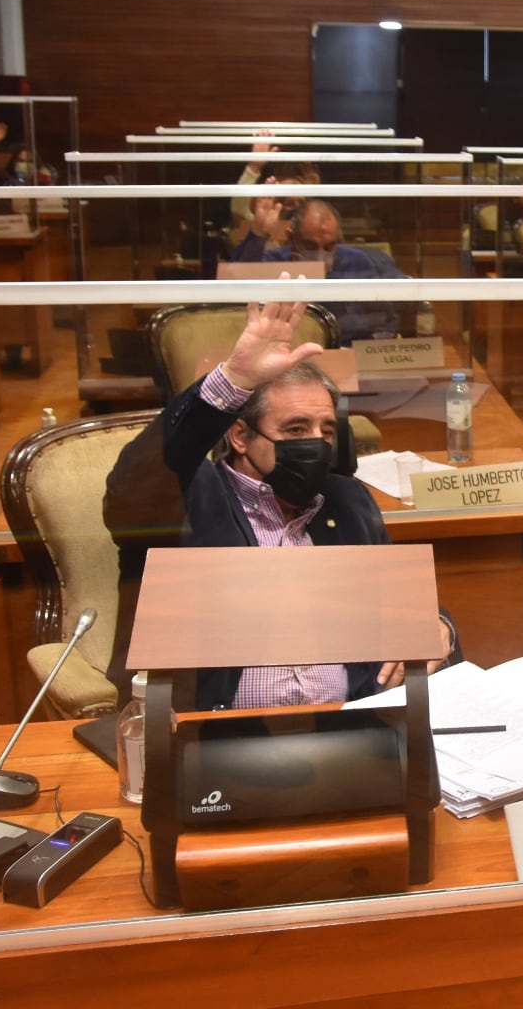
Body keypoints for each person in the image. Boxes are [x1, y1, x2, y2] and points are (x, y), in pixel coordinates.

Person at [103, 295, 460, 710]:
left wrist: (439, 627)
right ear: (240, 436)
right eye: (295, 428)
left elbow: (399, 610)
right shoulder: (186, 497)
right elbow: (137, 484)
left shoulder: (347, 501)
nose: (314, 443)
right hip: (210, 737)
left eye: (325, 430)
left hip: (347, 731)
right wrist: (234, 378)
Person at [231, 195, 406, 340]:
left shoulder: (357, 261)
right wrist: (258, 234)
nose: (321, 255)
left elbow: (385, 321)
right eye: (310, 245)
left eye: (329, 246)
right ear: (291, 237)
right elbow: (235, 284)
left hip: (347, 353)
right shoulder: (273, 262)